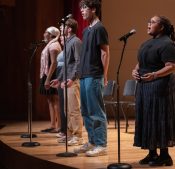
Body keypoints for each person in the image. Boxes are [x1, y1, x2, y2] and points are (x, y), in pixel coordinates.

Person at [132, 15, 175, 166]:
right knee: (147, 118)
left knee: (159, 118)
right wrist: (135, 70)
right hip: (144, 86)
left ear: (162, 27)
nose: (148, 24)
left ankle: (165, 155)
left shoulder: (167, 44)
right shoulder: (147, 43)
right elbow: (141, 62)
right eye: (148, 21)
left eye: (152, 22)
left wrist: (154, 75)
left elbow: (171, 66)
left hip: (159, 86)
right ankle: (152, 153)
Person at [73, 0, 110, 157]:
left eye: (85, 8)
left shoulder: (99, 28)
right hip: (84, 75)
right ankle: (92, 141)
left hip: (94, 75)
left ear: (94, 9)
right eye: (80, 8)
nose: (81, 11)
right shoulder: (87, 30)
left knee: (96, 110)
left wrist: (104, 75)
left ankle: (101, 144)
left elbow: (105, 53)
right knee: (86, 111)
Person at [51, 18, 83, 146]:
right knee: (67, 110)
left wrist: (73, 78)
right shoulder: (68, 42)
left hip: (72, 81)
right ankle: (70, 134)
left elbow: (78, 62)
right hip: (65, 80)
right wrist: (59, 79)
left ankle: (78, 136)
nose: (61, 30)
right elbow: (66, 65)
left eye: (63, 27)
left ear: (69, 29)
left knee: (74, 109)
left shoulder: (76, 41)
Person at [40, 26, 61, 133]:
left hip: (52, 75)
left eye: (45, 32)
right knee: (50, 100)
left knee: (56, 100)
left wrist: (48, 79)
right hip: (47, 74)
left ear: (51, 35)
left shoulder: (54, 45)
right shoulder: (49, 44)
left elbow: (54, 63)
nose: (44, 34)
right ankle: (53, 125)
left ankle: (59, 126)